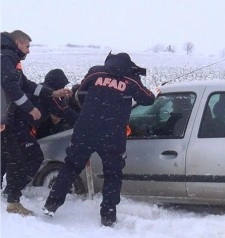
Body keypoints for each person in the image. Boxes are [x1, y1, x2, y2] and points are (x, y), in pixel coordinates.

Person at [43, 52, 159, 227]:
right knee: (113, 175)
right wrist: (155, 92)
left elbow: (80, 93)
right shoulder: (132, 80)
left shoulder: (95, 72)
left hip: (85, 130)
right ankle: (108, 216)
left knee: (71, 167)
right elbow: (148, 100)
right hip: (112, 135)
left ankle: (51, 204)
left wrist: (92, 107)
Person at [1, 30, 72, 215]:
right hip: (5, 120)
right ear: (17, 42)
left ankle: (12, 198)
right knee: (26, 158)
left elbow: (26, 84)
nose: (29, 51)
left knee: (9, 157)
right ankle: (12, 199)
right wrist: (29, 108)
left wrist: (52, 93)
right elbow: (11, 86)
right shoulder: (6, 56)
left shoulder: (8, 57)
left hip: (6, 120)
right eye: (27, 46)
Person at [35, 69, 79, 138]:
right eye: (62, 86)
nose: (63, 88)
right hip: (29, 129)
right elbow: (64, 110)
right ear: (57, 84)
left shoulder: (39, 87)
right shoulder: (49, 94)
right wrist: (82, 123)